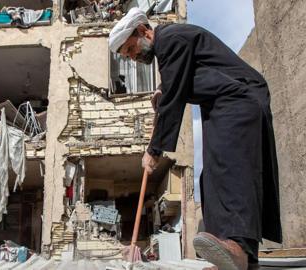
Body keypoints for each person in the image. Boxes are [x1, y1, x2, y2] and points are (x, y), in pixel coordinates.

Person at [109, 8, 282, 270]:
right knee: (211, 175)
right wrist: (162, 90)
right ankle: (240, 258)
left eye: (130, 50)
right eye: (127, 56)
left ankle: (237, 249)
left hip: (238, 101)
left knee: (231, 170)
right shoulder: (168, 49)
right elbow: (175, 85)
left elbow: (173, 100)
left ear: (143, 31)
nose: (132, 58)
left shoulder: (170, 39)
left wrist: (153, 150)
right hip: (220, 105)